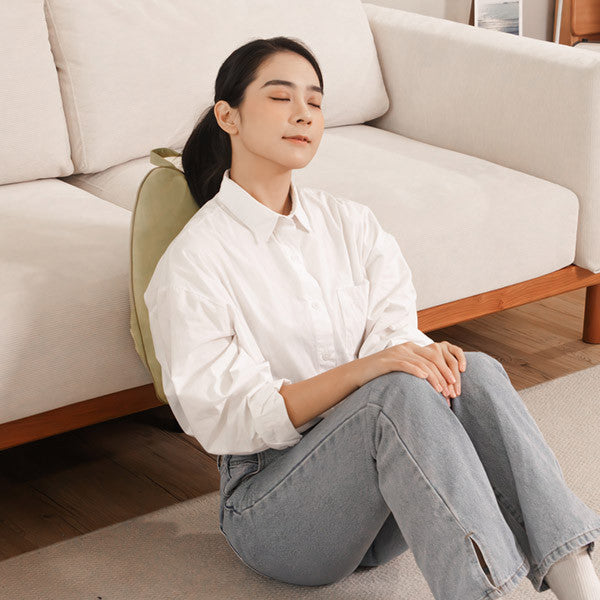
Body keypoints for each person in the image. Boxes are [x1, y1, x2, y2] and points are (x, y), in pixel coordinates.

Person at [143, 36, 600, 600]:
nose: (303, 114)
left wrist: (420, 358)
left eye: (315, 101)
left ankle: (582, 584)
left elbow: (396, 339)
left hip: (385, 502)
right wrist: (367, 372)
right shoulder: (194, 261)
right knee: (393, 394)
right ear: (227, 116)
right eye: (281, 97)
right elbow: (226, 416)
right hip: (271, 511)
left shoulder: (351, 225)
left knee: (473, 371)